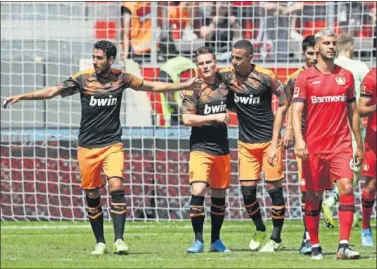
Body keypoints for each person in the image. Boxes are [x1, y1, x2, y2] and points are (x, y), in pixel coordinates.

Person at [3, 40, 201, 255]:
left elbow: (151, 86)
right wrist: (21, 97)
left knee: (116, 185)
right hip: (87, 147)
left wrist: (183, 85)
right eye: (94, 57)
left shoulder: (122, 78)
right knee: (92, 195)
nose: (95, 61)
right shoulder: (83, 79)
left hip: (112, 144)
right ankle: (100, 242)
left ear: (110, 60)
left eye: (99, 58)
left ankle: (119, 240)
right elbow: (52, 91)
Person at [292, 29, 363, 260]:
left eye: (333, 43)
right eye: (326, 43)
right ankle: (314, 245)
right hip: (314, 147)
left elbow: (353, 111)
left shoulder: (347, 76)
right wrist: (299, 139)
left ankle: (343, 245)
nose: (331, 46)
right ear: (318, 47)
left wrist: (358, 144)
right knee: (313, 196)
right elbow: (297, 110)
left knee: (347, 187)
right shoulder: (305, 77)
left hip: (341, 145)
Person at [220, 40, 286, 252]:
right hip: (245, 144)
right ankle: (259, 227)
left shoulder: (267, 77)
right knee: (247, 194)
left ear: (250, 58)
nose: (234, 61)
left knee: (274, 190)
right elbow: (206, 79)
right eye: (232, 57)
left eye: (238, 58)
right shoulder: (227, 76)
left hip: (269, 142)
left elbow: (285, 101)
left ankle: (276, 238)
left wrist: (278, 140)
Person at [268, 35, 317, 255]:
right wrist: (283, 135)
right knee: (308, 189)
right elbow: (284, 108)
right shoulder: (295, 78)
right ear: (304, 54)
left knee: (321, 190)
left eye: (317, 53)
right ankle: (308, 237)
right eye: (311, 53)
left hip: (328, 139)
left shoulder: (331, 75)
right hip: (304, 141)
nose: (315, 58)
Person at [181, 46, 231, 254]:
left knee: (219, 195)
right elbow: (187, 119)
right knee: (199, 189)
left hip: (222, 147)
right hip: (200, 147)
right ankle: (198, 241)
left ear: (215, 63)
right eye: (201, 63)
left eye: (208, 62)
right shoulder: (194, 88)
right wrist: (214, 117)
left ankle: (216, 241)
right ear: (197, 66)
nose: (205, 66)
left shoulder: (225, 83)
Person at [322, 32, 370, 229]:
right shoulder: (359, 67)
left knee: (342, 166)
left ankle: (350, 209)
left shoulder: (331, 67)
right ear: (350, 47)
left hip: (330, 123)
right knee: (358, 165)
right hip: (352, 123)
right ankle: (332, 201)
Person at [358, 69, 376, 247]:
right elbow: (360, 109)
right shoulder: (372, 77)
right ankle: (365, 227)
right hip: (375, 139)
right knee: (371, 187)